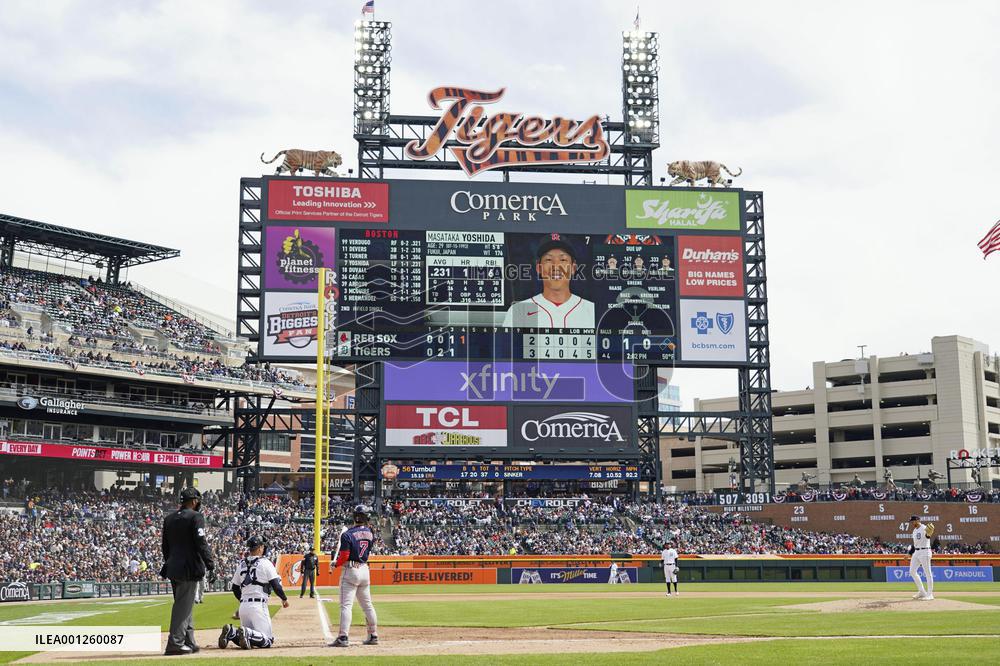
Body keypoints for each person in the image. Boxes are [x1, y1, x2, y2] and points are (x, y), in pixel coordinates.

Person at [161, 487, 215, 656]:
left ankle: (189, 641)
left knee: (185, 605)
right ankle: (175, 643)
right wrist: (210, 564)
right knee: (182, 607)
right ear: (194, 501)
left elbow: (165, 547)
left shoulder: (169, 519)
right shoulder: (196, 517)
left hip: (173, 567)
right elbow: (201, 542)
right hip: (189, 568)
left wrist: (171, 563)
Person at [503, 234, 594, 329]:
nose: (556, 266)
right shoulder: (520, 311)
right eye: (549, 259)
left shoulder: (591, 311)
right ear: (539, 268)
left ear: (573, 268)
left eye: (563, 259)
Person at [218, 535, 289, 650]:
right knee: (267, 640)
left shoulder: (242, 563)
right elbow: (276, 585)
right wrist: (284, 599)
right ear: (260, 548)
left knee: (249, 640)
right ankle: (246, 632)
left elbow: (235, 588)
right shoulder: (266, 563)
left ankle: (232, 632)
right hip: (258, 606)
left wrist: (242, 600)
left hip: (243, 607)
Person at [330, 505, 379, 648]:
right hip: (364, 569)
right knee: (367, 605)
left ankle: (343, 637)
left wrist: (335, 563)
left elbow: (344, 556)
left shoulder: (347, 534)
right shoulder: (370, 532)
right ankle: (373, 635)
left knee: (346, 606)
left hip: (351, 570)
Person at [908, 515, 935, 600]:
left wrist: (929, 534)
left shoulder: (924, 528)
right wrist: (909, 554)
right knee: (912, 571)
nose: (912, 523)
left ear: (917, 520)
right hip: (916, 552)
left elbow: (928, 536)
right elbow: (915, 544)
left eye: (913, 521)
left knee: (927, 573)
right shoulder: (914, 531)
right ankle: (922, 592)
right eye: (911, 521)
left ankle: (930, 594)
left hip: (925, 551)